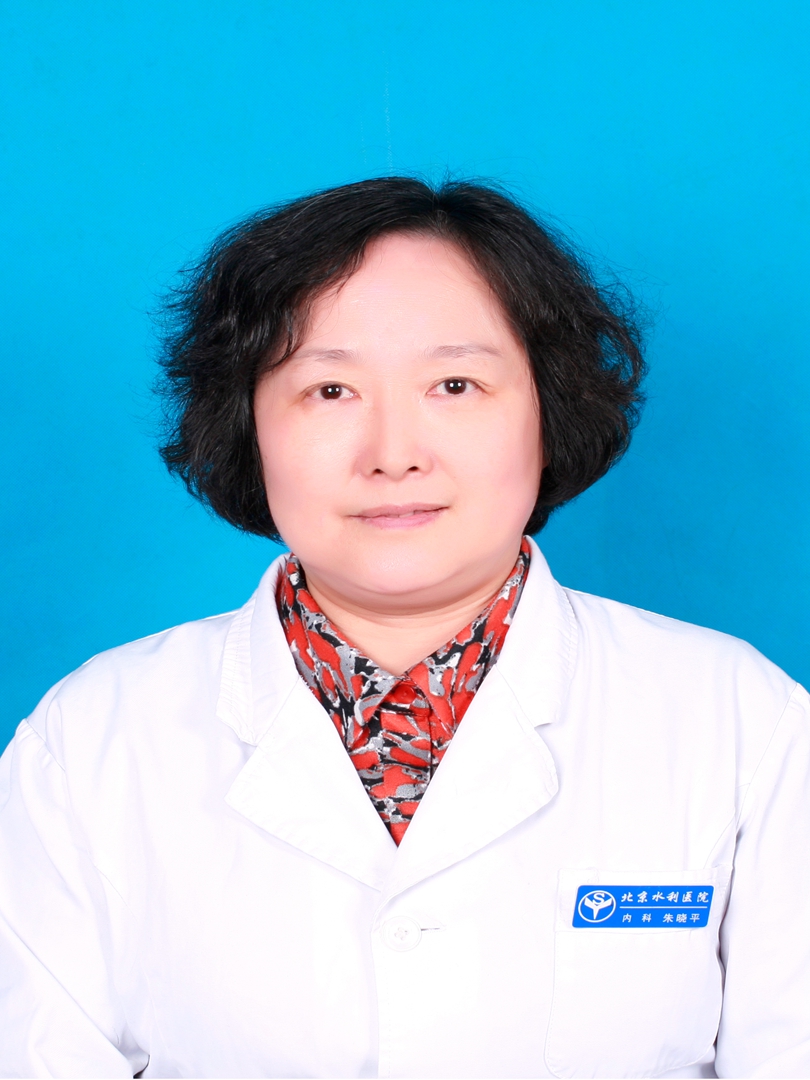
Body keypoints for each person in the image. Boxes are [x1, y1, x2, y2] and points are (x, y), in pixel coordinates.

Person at [0, 178, 807, 1080]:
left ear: (548, 409)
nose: (393, 454)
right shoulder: (90, 741)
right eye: (330, 389)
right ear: (247, 424)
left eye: (455, 385)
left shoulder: (740, 722)